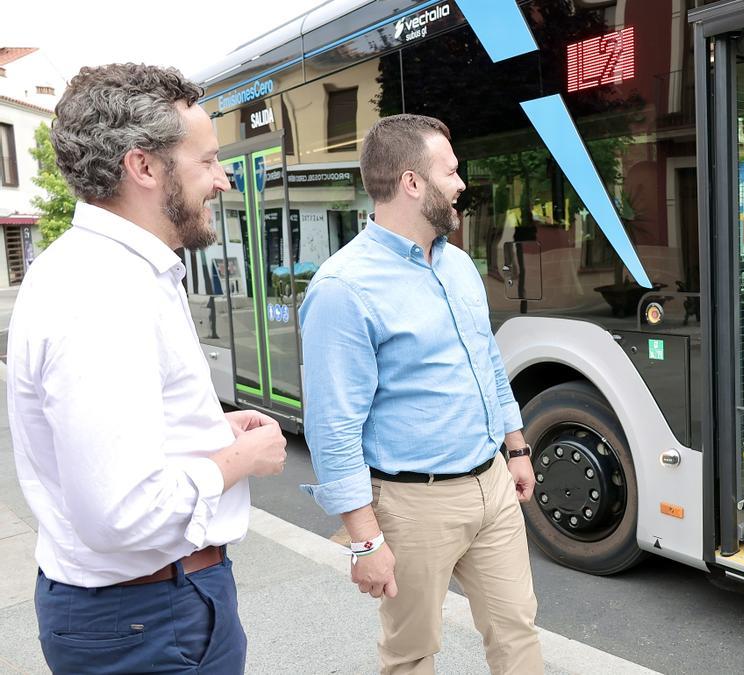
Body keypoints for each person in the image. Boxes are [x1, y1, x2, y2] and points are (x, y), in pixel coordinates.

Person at [8, 64, 288, 673]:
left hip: (152, 609)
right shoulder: (102, 290)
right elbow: (121, 514)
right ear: (143, 167)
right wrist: (241, 460)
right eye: (207, 161)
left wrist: (210, 434)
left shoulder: (117, 272)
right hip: (143, 620)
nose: (221, 180)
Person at [300, 114, 543, 674]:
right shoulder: (343, 288)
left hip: (493, 487)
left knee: (517, 630)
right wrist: (364, 542)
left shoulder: (457, 264)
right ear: (413, 183)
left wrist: (516, 445)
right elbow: (333, 427)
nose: (461, 184)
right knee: (410, 654)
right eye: (451, 171)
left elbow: (485, 359)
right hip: (412, 506)